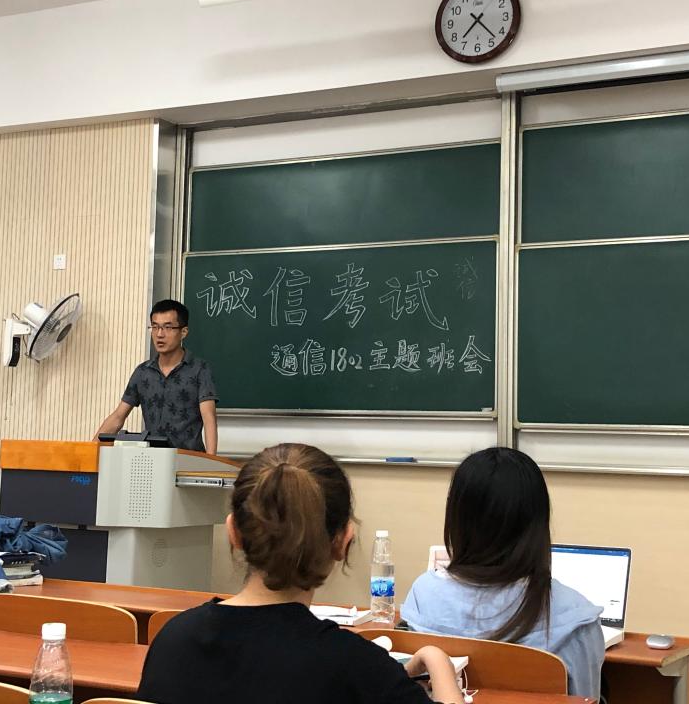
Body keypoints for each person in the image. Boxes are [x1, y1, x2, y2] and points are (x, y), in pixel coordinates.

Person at [136, 443, 464, 704]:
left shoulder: (173, 640)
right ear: (343, 542)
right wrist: (436, 660)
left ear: (233, 533)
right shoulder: (359, 667)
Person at [401, 447, 604, 699]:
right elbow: (585, 698)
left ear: (457, 518)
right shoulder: (576, 617)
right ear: (538, 521)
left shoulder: (422, 596)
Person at [95, 299, 218, 454]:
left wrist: (211, 461)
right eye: (155, 327)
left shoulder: (199, 369)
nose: (160, 334)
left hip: (189, 459)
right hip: (152, 460)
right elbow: (118, 417)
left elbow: (209, 418)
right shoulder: (142, 372)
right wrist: (89, 451)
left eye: (168, 327)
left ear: (184, 332)